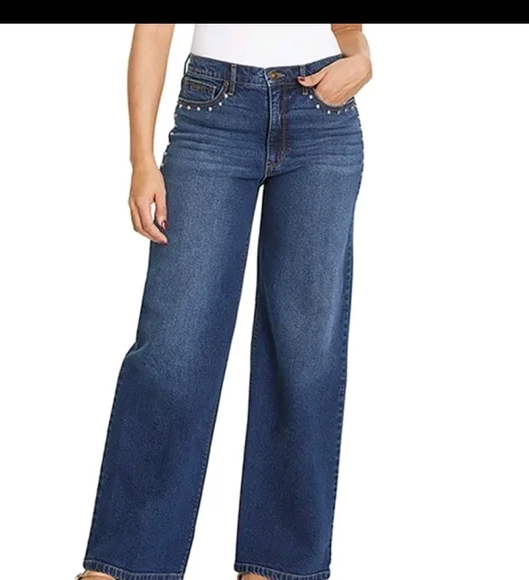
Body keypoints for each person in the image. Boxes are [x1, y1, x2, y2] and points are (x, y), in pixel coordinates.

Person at [76, 23, 372, 580]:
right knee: (175, 345)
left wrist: (361, 60)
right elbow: (153, 31)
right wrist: (141, 159)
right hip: (214, 114)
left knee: (305, 354)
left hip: (324, 121)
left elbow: (348, 29)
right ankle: (127, 564)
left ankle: (277, 567)